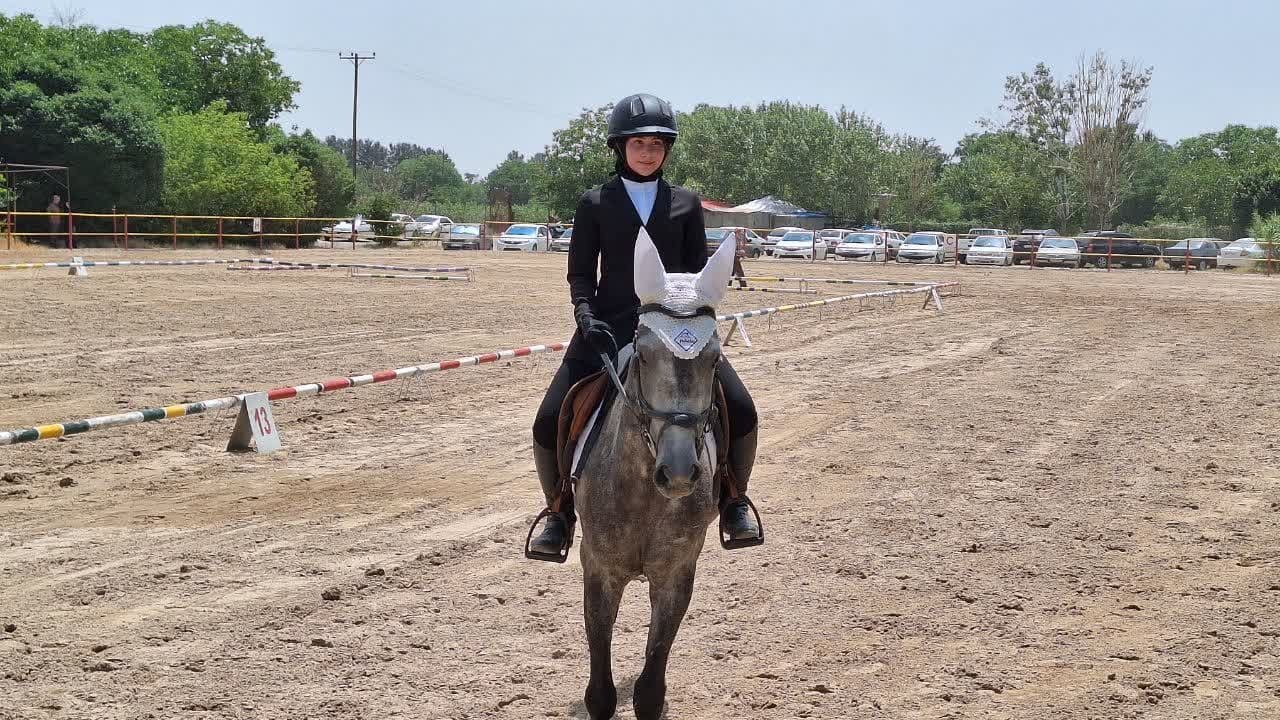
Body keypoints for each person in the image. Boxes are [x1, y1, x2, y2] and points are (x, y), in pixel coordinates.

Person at [528, 93, 762, 557]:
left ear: (666, 150)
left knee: (743, 408)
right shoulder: (595, 203)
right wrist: (584, 315)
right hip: (607, 327)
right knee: (547, 419)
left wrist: (700, 323)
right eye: (639, 143)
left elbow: (696, 275)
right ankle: (558, 512)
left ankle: (735, 500)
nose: (648, 151)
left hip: (676, 331)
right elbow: (580, 272)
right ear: (620, 147)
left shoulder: (686, 204)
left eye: (657, 143)